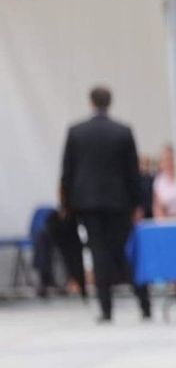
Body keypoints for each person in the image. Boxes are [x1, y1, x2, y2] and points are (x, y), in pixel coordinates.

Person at [59, 85, 151, 323]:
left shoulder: (76, 132)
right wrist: (137, 203)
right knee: (125, 251)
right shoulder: (122, 131)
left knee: (98, 253)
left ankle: (106, 308)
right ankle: (144, 303)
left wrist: (66, 204)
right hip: (119, 202)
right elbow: (132, 172)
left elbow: (67, 171)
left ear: (91, 102)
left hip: (87, 203)